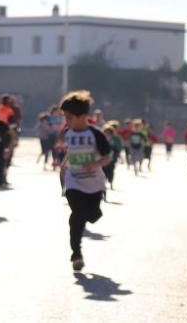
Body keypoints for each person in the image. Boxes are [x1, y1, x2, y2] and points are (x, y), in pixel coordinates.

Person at [58, 90, 112, 272]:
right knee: (76, 217)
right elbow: (69, 152)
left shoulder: (96, 134)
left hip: (94, 183)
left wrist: (95, 164)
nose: (66, 121)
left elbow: (108, 157)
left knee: (92, 215)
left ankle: (91, 214)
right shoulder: (67, 133)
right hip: (74, 181)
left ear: (82, 116)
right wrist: (63, 165)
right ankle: (76, 254)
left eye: (69, 117)